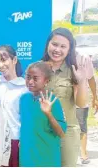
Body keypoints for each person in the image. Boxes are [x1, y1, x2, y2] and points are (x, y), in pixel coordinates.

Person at [41, 27, 88, 167]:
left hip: (67, 134)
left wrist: (81, 80)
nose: (57, 50)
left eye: (63, 46)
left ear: (69, 50)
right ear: (48, 44)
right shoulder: (37, 68)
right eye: (54, 44)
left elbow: (81, 103)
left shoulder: (74, 70)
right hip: (42, 131)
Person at [19, 62, 67, 166]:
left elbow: (61, 133)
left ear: (46, 81)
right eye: (28, 77)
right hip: (26, 157)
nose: (30, 81)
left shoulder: (53, 101)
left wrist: (48, 114)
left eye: (35, 78)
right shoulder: (24, 99)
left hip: (46, 157)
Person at [75, 53, 97, 164]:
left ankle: (83, 154)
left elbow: (91, 78)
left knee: (81, 126)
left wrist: (95, 97)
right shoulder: (58, 57)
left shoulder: (84, 58)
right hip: (63, 99)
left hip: (81, 98)